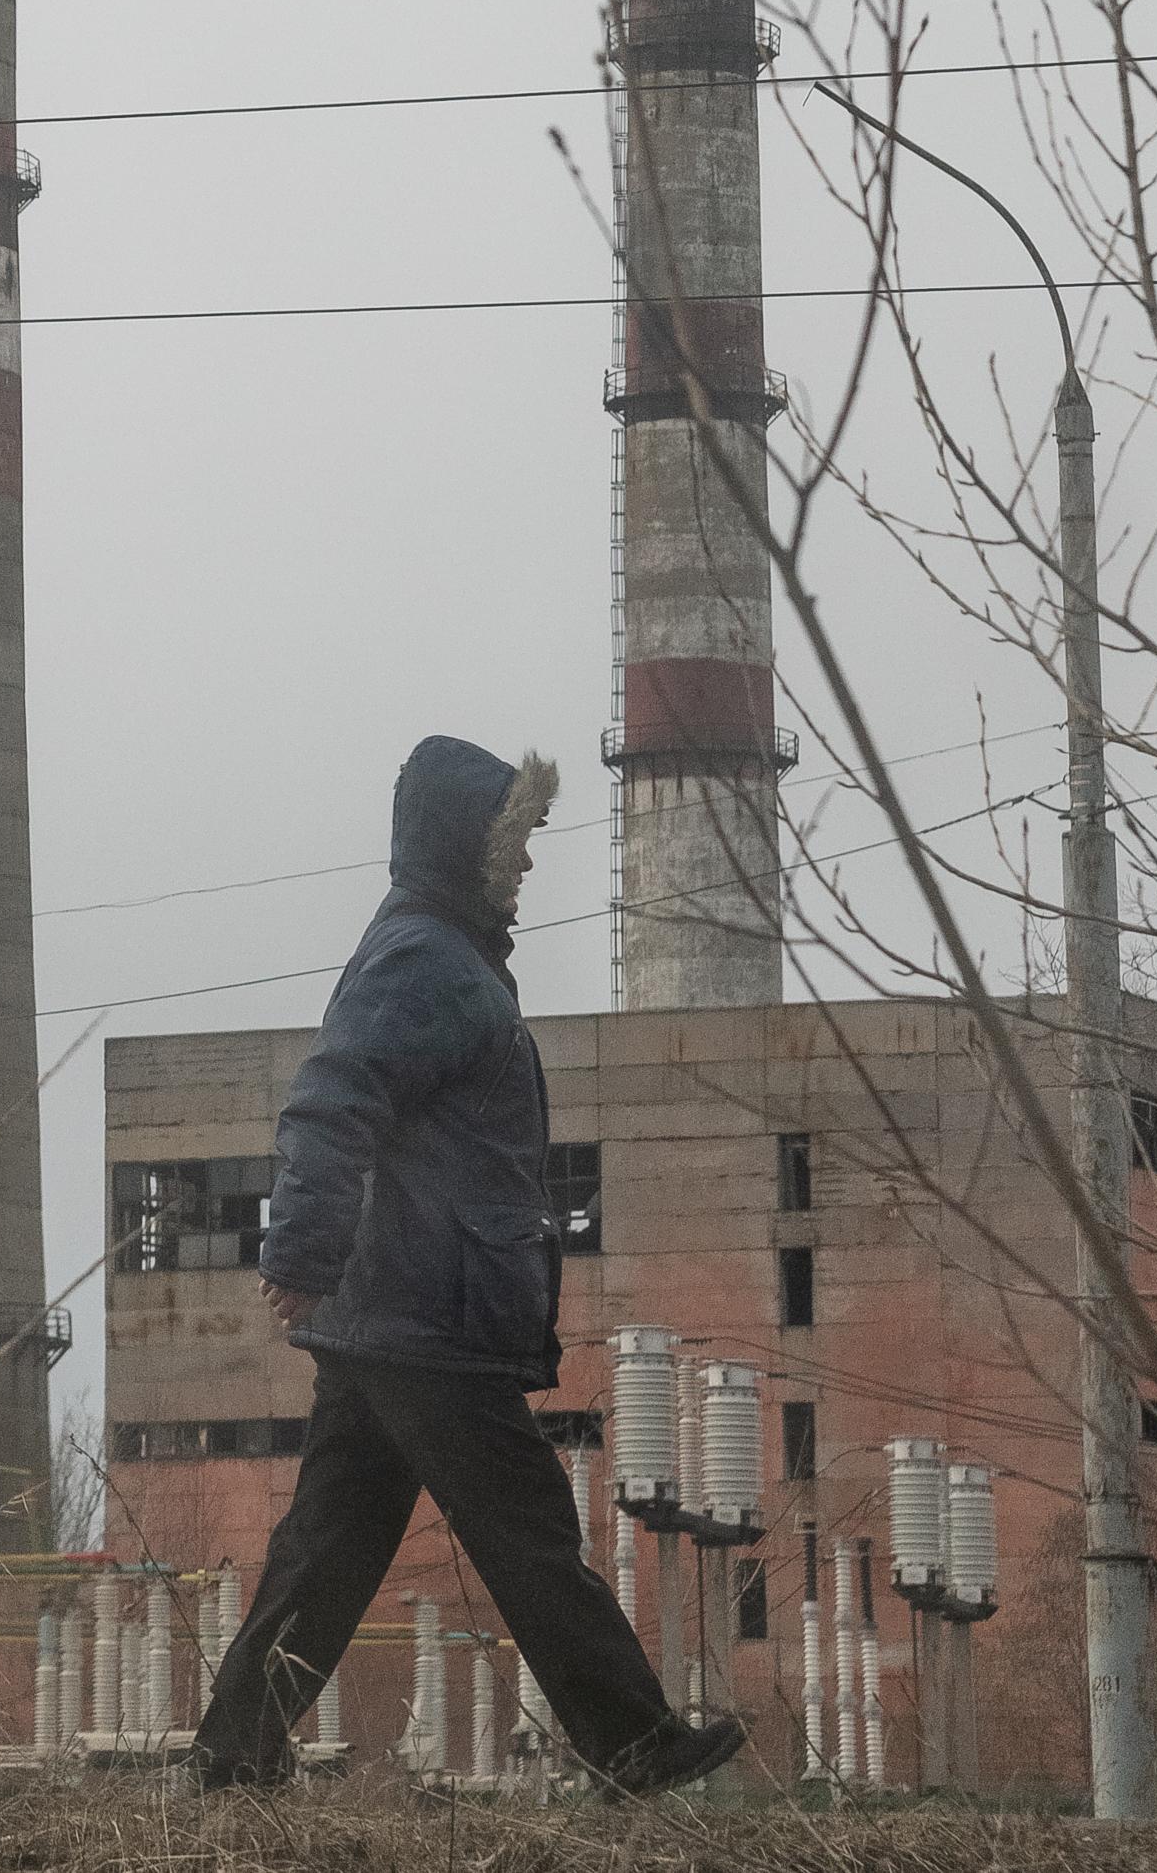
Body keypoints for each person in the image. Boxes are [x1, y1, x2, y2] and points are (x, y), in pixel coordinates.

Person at [191, 732, 744, 1797]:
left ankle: (230, 1754)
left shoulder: (442, 953)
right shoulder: (424, 960)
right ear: (464, 845)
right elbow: (329, 1101)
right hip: (422, 1314)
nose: (527, 860)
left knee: (327, 1551)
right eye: (512, 839)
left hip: (395, 1314)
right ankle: (633, 1741)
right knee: (528, 1529)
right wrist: (301, 1251)